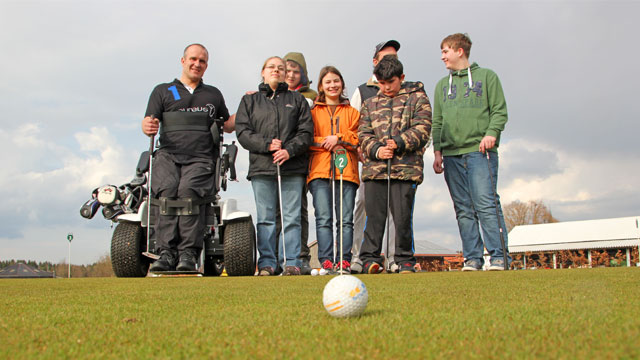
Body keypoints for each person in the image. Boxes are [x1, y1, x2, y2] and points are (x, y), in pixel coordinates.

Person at [141, 44, 231, 272]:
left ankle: (188, 254)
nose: (197, 64)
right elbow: (149, 122)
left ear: (206, 66)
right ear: (183, 61)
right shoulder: (163, 91)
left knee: (188, 193)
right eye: (193, 59)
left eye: (202, 61)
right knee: (168, 191)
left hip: (201, 158)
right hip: (168, 154)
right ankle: (166, 253)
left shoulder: (213, 94)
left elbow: (227, 124)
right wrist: (146, 125)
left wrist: (249, 107)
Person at [432, 33, 510, 271]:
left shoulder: (487, 77)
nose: (442, 56)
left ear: (460, 51)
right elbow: (437, 121)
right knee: (463, 208)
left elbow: (499, 111)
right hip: (451, 155)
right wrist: (437, 151)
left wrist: (491, 133)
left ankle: (499, 257)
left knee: (485, 204)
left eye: (446, 51)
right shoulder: (442, 85)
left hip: (479, 151)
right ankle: (472, 258)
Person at [235, 56, 313, 276]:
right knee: (266, 218)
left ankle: (291, 261)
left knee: (292, 217)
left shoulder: (297, 100)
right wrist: (267, 145)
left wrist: (289, 150)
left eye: (281, 68)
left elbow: (306, 132)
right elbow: (243, 133)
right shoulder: (249, 101)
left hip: (292, 167)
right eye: (272, 67)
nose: (276, 71)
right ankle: (268, 263)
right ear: (263, 71)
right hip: (262, 168)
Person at [358, 55, 432, 274]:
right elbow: (363, 133)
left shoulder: (418, 98)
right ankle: (370, 259)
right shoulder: (369, 103)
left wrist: (398, 143)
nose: (386, 87)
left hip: (405, 170)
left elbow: (423, 128)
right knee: (374, 217)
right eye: (381, 83)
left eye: (390, 82)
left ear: (402, 78)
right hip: (375, 170)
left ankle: (404, 260)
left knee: (402, 218)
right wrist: (377, 149)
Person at [350, 40, 400, 274]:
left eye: (394, 57)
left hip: (397, 163)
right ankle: (358, 257)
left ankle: (391, 257)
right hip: (368, 162)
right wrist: (360, 150)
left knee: (392, 209)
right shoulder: (362, 91)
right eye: (386, 57)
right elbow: (353, 125)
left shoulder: (405, 89)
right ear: (375, 61)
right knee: (363, 205)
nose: (391, 61)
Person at [308, 66, 360, 275]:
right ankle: (326, 261)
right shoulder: (312, 113)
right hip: (319, 172)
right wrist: (326, 142)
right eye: (328, 82)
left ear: (342, 84)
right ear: (321, 86)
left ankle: (344, 260)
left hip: (346, 171)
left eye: (336, 81)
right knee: (323, 218)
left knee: (345, 219)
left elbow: (359, 138)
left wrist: (339, 138)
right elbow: (306, 139)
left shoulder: (353, 113)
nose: (332, 85)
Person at [278, 52, 316, 275]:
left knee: (299, 210)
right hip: (275, 160)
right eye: (287, 70)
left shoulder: (312, 96)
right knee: (276, 212)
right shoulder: (271, 95)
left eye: (296, 71)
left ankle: (301, 256)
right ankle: (277, 256)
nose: (291, 75)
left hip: (304, 160)